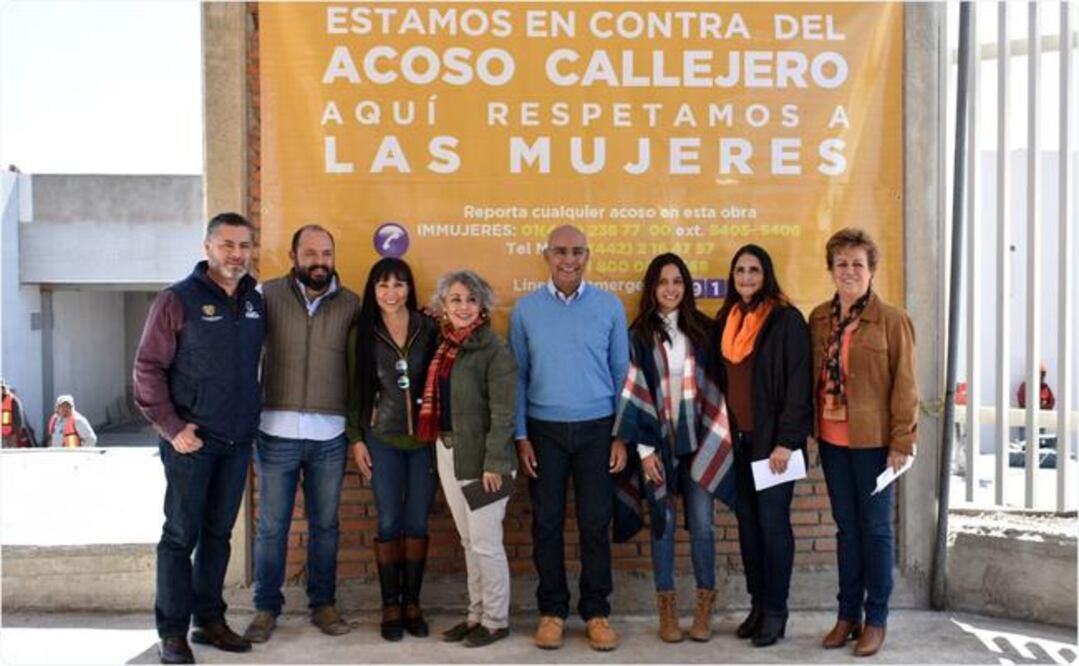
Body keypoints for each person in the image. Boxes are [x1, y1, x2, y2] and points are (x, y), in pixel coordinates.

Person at [134, 212, 266, 664]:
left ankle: (209, 620)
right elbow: (147, 368)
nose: (236, 254)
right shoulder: (176, 300)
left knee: (218, 535)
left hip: (236, 440)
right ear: (207, 247)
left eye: (244, 245)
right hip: (190, 441)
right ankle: (172, 633)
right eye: (227, 244)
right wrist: (173, 428)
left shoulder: (254, 301)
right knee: (180, 536)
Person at [510, 224, 629, 652]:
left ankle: (596, 612)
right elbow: (518, 376)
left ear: (587, 256)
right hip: (544, 431)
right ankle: (552, 612)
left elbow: (622, 373)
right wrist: (521, 435)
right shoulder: (525, 310)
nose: (569, 259)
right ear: (546, 255)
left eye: (577, 251)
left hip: (599, 428)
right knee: (546, 524)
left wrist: (621, 435)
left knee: (596, 522)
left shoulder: (609, 306)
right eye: (560, 251)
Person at [242, 225, 360, 644]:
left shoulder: (351, 304)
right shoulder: (266, 296)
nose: (319, 261)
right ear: (293, 256)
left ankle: (323, 603)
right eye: (310, 253)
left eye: (326, 253)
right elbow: (242, 352)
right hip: (275, 431)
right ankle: (265, 608)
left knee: (325, 526)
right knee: (272, 527)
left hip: (330, 434)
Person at [613, 253, 735, 643]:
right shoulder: (638, 334)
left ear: (687, 287)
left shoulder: (705, 331)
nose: (671, 289)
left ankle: (703, 608)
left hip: (700, 442)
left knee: (702, 525)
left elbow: (717, 391)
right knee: (662, 525)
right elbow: (635, 394)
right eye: (663, 282)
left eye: (678, 281)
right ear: (652, 288)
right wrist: (644, 452)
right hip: (656, 445)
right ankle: (666, 611)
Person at [809, 228, 918, 657]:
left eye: (858, 263)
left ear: (872, 270)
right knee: (846, 529)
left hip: (874, 444)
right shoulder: (819, 319)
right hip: (832, 441)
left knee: (875, 530)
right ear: (831, 270)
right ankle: (847, 615)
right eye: (842, 263)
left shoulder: (892, 320)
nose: (849, 271)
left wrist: (901, 442)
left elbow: (906, 386)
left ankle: (876, 619)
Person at [715, 244, 812, 647]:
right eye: (740, 270)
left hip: (774, 448)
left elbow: (798, 384)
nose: (746, 277)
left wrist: (787, 442)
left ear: (766, 274)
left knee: (773, 526)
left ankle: (776, 611)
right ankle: (757, 605)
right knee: (749, 527)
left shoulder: (785, 320)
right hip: (739, 444)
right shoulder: (727, 320)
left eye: (754, 270)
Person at [418, 270, 518, 648]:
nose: (463, 306)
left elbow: (504, 413)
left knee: (486, 542)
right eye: (455, 299)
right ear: (443, 306)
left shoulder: (494, 349)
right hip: (449, 452)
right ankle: (476, 614)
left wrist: (495, 462)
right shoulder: (446, 347)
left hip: (485, 462)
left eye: (471, 299)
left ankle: (495, 620)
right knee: (468, 541)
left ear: (483, 305)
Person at [347, 257, 438, 642]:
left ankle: (412, 602)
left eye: (399, 284)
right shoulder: (362, 333)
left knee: (417, 521)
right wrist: (356, 439)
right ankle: (390, 605)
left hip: (424, 442)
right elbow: (353, 389)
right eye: (383, 285)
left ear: (409, 288)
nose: (391, 292)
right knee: (388, 521)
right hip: (381, 439)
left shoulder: (428, 327)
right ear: (373, 290)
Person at [1, 379, 33, 448]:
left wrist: (16, 432)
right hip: (2, 434)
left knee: (11, 452)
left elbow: (18, 418)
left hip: (11, 434)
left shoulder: (13, 400)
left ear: (3, 389)